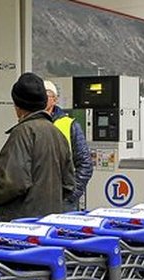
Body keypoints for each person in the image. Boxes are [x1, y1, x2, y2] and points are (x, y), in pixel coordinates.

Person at [0, 72, 75, 224]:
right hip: (49, 224)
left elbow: (13, 183)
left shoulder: (22, 133)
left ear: (18, 106)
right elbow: (69, 184)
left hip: (20, 227)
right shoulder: (57, 134)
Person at [44, 80, 93, 211]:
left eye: (47, 94)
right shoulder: (31, 125)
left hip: (64, 202)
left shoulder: (70, 125)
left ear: (55, 99)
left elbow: (85, 163)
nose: (42, 99)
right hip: (39, 201)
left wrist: (71, 195)